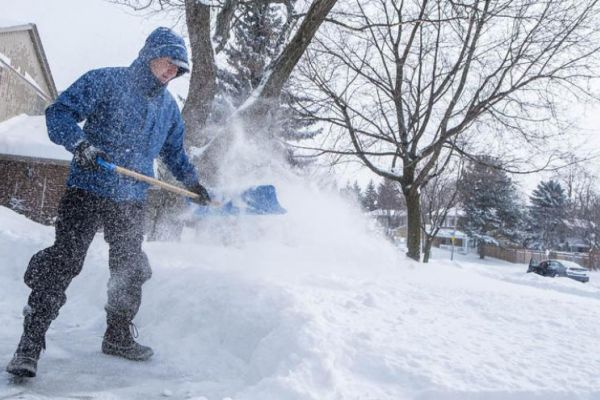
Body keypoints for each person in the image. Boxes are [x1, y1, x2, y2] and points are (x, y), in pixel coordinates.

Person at [6, 27, 210, 378]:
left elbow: (174, 152)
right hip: (88, 188)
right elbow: (60, 113)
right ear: (150, 55)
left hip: (131, 199)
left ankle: (117, 335)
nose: (170, 73)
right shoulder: (106, 81)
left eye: (177, 69)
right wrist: (80, 145)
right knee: (64, 260)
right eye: (167, 64)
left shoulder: (168, 109)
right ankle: (30, 343)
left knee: (130, 268)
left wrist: (193, 182)